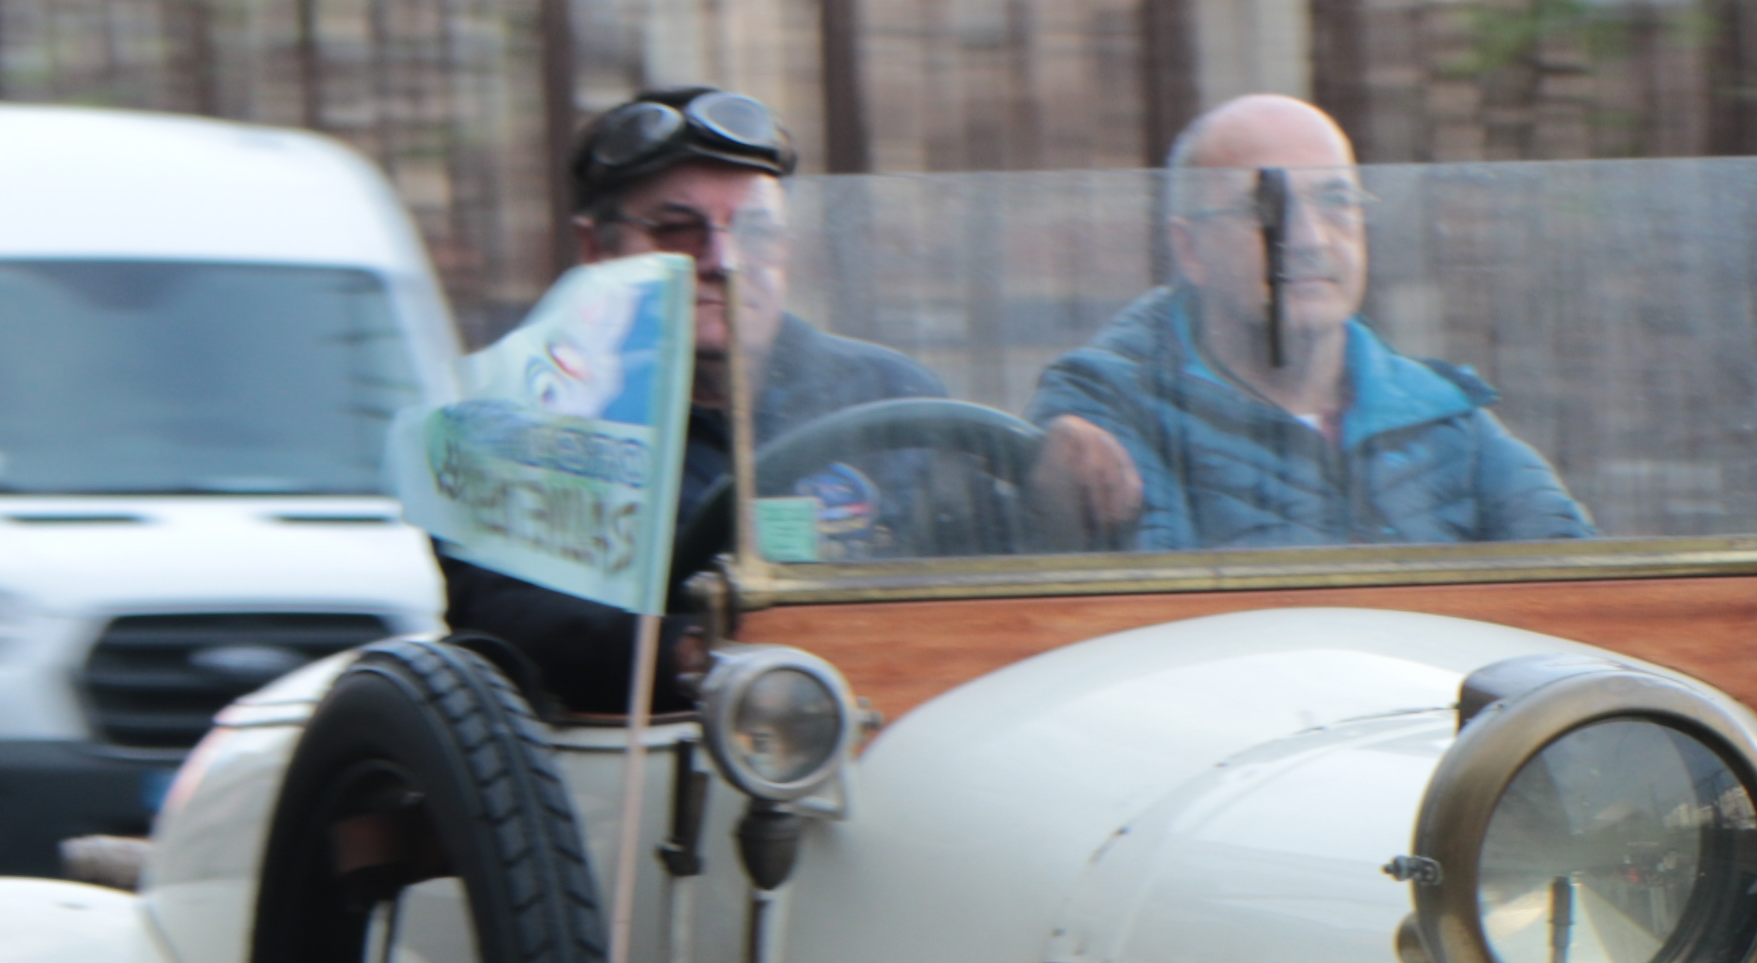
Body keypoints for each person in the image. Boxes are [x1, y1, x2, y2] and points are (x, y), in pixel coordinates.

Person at [439, 86, 946, 711]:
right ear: (598, 251)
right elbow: (509, 615)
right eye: (677, 231)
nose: (723, 261)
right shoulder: (516, 417)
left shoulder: (892, 400)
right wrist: (686, 651)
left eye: (757, 232)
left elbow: (991, 563)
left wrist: (1066, 490)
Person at [1020, 95, 1591, 552]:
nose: (1309, 239)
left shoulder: (1445, 417)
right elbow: (1165, 625)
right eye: (1262, 210)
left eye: (1336, 200)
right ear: (1189, 249)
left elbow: (1589, 590)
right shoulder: (1110, 407)